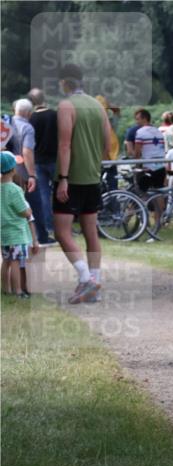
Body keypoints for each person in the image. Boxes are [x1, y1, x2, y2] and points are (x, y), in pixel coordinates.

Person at [52, 63, 114, 304]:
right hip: (92, 176)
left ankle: (86, 278)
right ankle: (94, 283)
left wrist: (63, 178)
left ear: (63, 82)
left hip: (72, 177)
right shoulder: (98, 106)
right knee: (91, 231)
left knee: (61, 231)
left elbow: (65, 144)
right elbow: (107, 147)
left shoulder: (66, 106)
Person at [1, 151, 39, 297]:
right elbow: (25, 212)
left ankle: (6, 289)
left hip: (3, 232)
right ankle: (18, 291)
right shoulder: (15, 190)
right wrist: (28, 210)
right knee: (16, 262)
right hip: (16, 233)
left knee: (6, 262)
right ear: (12, 169)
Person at [26, 89, 57, 244]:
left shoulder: (31, 119)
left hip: (38, 161)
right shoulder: (55, 115)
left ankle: (49, 225)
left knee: (44, 195)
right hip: (55, 159)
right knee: (60, 193)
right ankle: (63, 225)